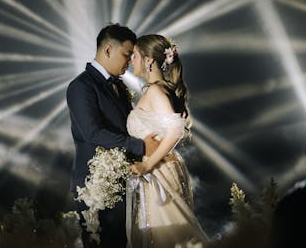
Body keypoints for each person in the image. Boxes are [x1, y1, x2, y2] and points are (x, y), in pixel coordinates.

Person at [66, 23, 158, 248]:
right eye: (127, 55)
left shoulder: (118, 85)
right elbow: (92, 132)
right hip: (95, 184)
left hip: (122, 180)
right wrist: (141, 147)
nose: (129, 62)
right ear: (108, 50)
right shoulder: (81, 86)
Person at [126, 34, 209, 247]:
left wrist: (147, 164)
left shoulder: (155, 91)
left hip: (158, 170)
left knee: (172, 237)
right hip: (158, 169)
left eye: (134, 56)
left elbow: (174, 131)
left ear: (149, 60)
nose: (130, 60)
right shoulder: (156, 90)